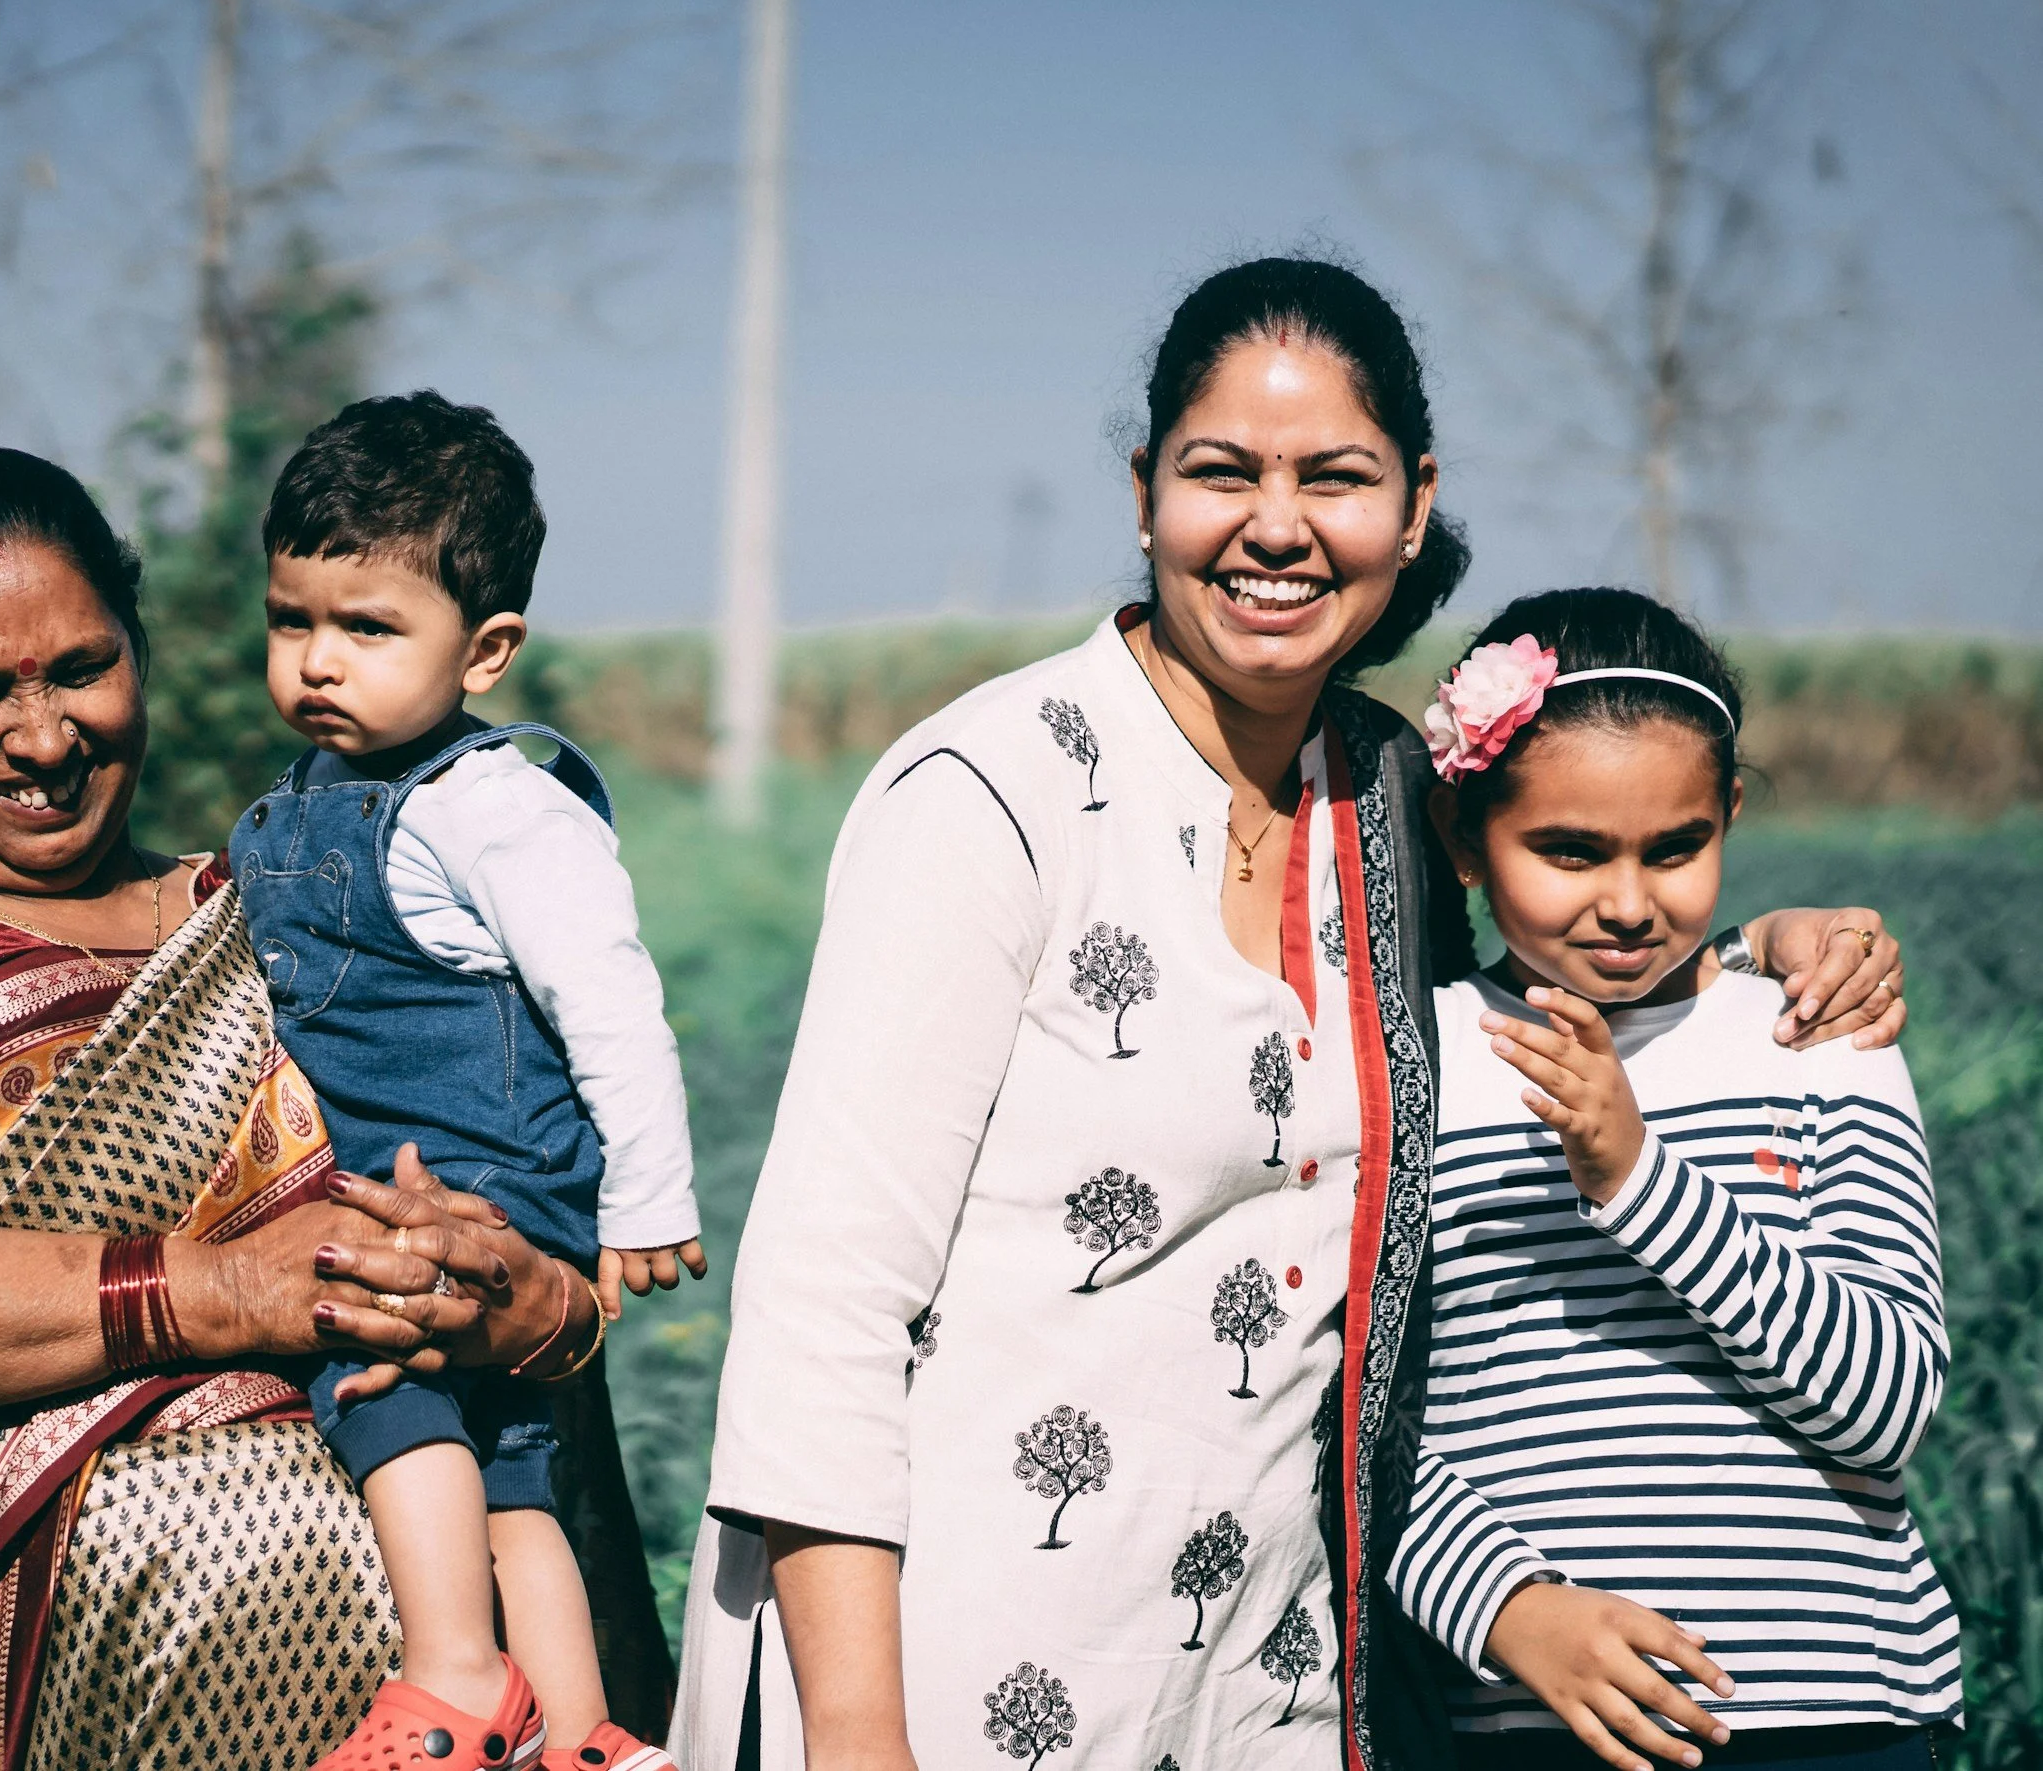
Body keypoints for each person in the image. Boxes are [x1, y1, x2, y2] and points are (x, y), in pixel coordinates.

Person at [670, 257, 1912, 1771]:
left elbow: (1556, 973)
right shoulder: (992, 793)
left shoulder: (1392, 796)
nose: (1276, 524)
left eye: (1333, 474)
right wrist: (860, 1736)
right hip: (940, 1665)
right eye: (1220, 472)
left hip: (1259, 1686)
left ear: (1411, 500)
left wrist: (1773, 942)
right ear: (1144, 494)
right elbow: (824, 1303)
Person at [0, 446, 669, 1771]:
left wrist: (530, 1307)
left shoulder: (291, 911)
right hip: (19, 1704)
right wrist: (230, 1292)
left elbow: (538, 1205)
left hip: (450, 1710)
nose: (44, 736)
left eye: (83, 668)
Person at [1388, 590, 1958, 1771]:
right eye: (1568, 851)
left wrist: (1637, 1176)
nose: (1630, 902)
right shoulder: (1410, 1067)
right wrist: (1502, 1606)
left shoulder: (1818, 1038)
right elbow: (1346, 1421)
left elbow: (1887, 1411)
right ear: (1462, 833)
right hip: (1532, 1721)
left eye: (1676, 846)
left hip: (1830, 1714)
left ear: (1729, 815)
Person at [228, 393, 702, 1771]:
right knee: (513, 1466)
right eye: (292, 619)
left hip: (479, 1169)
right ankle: (580, 1727)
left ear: (486, 651)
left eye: (368, 628)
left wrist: (647, 1196)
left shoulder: (499, 806)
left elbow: (611, 1000)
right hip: (426, 1158)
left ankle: (449, 1678)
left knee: (380, 1366)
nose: (319, 660)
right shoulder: (314, 788)